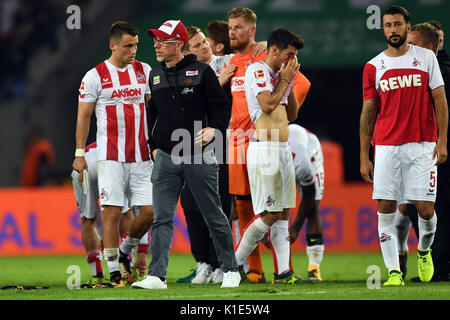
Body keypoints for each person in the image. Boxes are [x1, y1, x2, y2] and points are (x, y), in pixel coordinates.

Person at [131, 19, 240, 290]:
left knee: (213, 214)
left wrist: (215, 129)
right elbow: (151, 114)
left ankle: (230, 269)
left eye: (162, 40)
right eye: (155, 40)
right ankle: (157, 276)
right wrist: (152, 146)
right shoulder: (154, 75)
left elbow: (221, 108)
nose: (155, 44)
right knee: (162, 218)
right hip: (166, 156)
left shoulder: (202, 72)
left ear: (178, 45)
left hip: (199, 153)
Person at [359, 6, 448, 286]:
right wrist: (364, 154)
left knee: (424, 210)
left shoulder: (426, 58)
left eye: (398, 24)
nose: (393, 30)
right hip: (386, 145)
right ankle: (394, 272)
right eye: (387, 25)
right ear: (383, 29)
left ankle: (423, 252)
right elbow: (368, 112)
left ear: (407, 28)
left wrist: (442, 141)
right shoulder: (374, 66)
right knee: (385, 207)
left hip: (422, 144)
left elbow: (440, 101)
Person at [73, 21, 154, 286]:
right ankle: (114, 271)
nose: (133, 51)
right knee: (112, 212)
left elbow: (153, 111)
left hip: (142, 155)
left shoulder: (144, 71)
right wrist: (80, 153)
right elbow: (83, 117)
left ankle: (124, 250)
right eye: (128, 46)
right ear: (113, 45)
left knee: (150, 212)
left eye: (136, 45)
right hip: (110, 156)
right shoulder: (94, 76)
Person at [235, 27, 303, 284]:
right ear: (274, 50)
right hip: (265, 147)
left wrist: (290, 82)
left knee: (283, 212)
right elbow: (266, 105)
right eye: (289, 54)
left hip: (283, 149)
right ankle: (235, 262)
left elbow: (292, 114)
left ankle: (283, 272)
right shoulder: (257, 70)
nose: (292, 60)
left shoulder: (279, 75)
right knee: (271, 213)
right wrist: (284, 81)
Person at [397, 22, 450, 282]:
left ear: (429, 48)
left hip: (438, 152)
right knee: (418, 207)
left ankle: (439, 267)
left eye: (413, 46)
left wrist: (442, 143)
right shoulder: (414, 71)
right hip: (420, 150)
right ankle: (436, 264)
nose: (407, 51)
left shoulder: (440, 73)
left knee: (435, 208)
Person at [71, 142, 150, 283]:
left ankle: (98, 273)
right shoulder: (138, 151)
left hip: (84, 164)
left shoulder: (106, 138)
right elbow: (143, 212)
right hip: (113, 161)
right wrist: (142, 252)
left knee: (88, 220)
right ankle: (126, 266)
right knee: (126, 212)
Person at [288, 124, 325, 281]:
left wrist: (295, 227)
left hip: (310, 151)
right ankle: (283, 269)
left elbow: (310, 195)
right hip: (290, 149)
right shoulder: (263, 152)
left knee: (313, 207)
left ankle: (314, 267)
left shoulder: (302, 161)